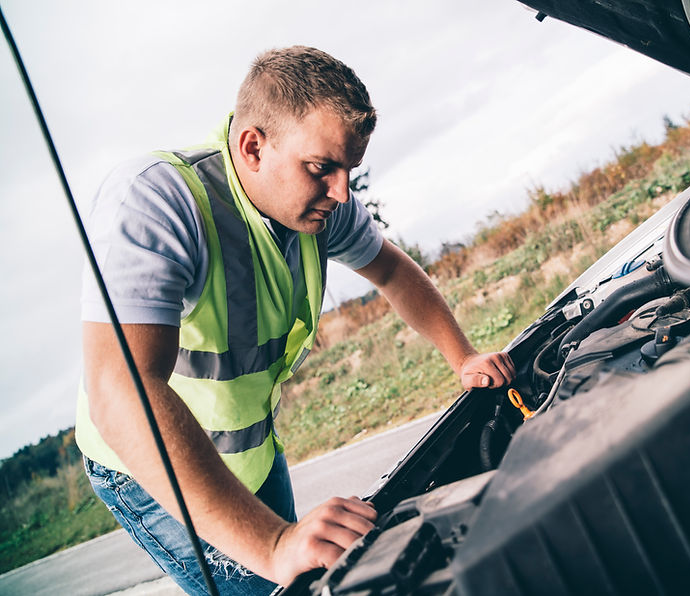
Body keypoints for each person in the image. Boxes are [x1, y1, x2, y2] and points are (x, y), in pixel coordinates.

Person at [75, 46, 515, 595]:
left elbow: (394, 272)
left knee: (309, 559)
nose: (342, 193)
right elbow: (122, 391)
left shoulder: (319, 206)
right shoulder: (158, 200)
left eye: (350, 171)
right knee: (282, 577)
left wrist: (464, 356)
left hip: (251, 447)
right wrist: (271, 545)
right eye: (321, 168)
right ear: (253, 147)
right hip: (146, 463)